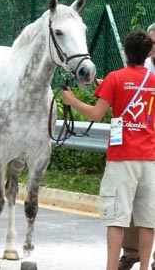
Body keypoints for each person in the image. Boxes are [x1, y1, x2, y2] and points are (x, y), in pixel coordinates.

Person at [62, 29, 155, 270]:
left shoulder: (115, 78)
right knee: (147, 221)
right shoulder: (153, 81)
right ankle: (145, 267)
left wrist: (71, 101)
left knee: (117, 219)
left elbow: (95, 113)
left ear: (125, 51)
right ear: (147, 54)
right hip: (149, 158)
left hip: (123, 158)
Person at [118, 23, 155, 270]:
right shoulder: (141, 68)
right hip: (143, 144)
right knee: (135, 201)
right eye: (151, 44)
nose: (152, 49)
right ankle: (131, 253)